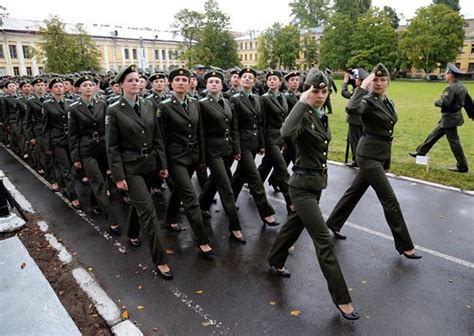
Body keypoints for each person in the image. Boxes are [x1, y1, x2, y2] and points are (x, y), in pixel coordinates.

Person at [268, 69, 359, 321]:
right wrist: (301, 102)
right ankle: (343, 299)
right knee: (324, 239)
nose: (320, 96)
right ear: (306, 91)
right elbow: (285, 134)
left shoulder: (320, 116)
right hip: (300, 187)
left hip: (316, 184)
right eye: (315, 91)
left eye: (323, 91)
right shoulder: (302, 113)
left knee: (295, 225)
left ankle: (275, 258)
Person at [325, 64, 422, 261]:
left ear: (388, 82)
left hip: (380, 155)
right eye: (375, 80)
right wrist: (362, 87)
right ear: (370, 82)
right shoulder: (367, 101)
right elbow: (351, 108)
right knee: (389, 199)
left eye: (382, 80)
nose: (378, 83)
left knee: (354, 192)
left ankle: (333, 224)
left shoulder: (387, 101)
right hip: (368, 156)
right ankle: (405, 245)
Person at [105, 64, 173, 279]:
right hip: (130, 167)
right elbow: (112, 147)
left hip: (150, 164)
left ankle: (132, 233)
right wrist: (118, 176)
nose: (136, 83)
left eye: (138, 80)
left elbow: (158, 137)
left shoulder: (148, 105)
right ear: (121, 85)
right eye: (130, 80)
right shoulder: (114, 110)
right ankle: (160, 260)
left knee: (140, 204)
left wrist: (162, 165)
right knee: (148, 211)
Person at [158, 68, 214, 255]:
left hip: (193, 156)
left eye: (184, 79)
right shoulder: (165, 106)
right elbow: (161, 139)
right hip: (176, 158)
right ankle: (202, 239)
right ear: (171, 84)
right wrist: (163, 164)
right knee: (190, 197)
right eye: (177, 80)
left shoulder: (194, 103)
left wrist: (202, 159)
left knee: (179, 191)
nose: (181, 82)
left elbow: (200, 133)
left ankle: (170, 218)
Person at [68, 75, 120, 235]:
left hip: (102, 147)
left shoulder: (102, 103)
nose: (88, 87)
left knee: (102, 178)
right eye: (84, 85)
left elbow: (108, 127)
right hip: (86, 150)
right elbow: (73, 135)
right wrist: (76, 158)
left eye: (90, 84)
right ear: (78, 89)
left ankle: (94, 202)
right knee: (99, 183)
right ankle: (112, 221)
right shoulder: (74, 107)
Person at [198, 70, 245, 242]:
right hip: (212, 150)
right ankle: (235, 226)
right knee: (226, 186)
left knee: (214, 180)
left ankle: (201, 205)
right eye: (211, 82)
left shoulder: (227, 102)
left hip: (227, 149)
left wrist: (236, 149)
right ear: (207, 85)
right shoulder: (202, 104)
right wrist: (201, 158)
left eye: (217, 82)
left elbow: (234, 128)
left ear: (221, 84)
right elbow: (200, 133)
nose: (214, 84)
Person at [230, 68, 279, 227]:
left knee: (239, 175)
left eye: (250, 77)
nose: (247, 79)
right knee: (254, 177)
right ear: (240, 80)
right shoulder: (235, 99)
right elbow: (234, 127)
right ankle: (266, 212)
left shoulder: (257, 99)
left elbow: (260, 124)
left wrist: (262, 144)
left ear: (255, 81)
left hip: (254, 142)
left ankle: (220, 202)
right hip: (242, 144)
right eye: (244, 77)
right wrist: (236, 148)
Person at [409, 63, 470, 173]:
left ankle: (462, 166)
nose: (445, 75)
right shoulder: (462, 87)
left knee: (454, 142)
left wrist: (437, 102)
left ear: (451, 75)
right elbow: (469, 102)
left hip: (449, 119)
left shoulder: (450, 88)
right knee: (433, 135)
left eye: (447, 73)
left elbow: (445, 103)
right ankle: (420, 152)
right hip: (453, 117)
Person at [257, 70, 293, 214]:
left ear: (280, 82)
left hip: (280, 136)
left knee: (266, 165)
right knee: (282, 169)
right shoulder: (264, 99)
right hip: (270, 137)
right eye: (269, 79)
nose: (272, 81)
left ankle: (255, 187)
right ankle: (290, 202)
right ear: (267, 83)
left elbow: (285, 119)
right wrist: (262, 144)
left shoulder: (283, 97)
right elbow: (262, 122)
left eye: (275, 79)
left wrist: (284, 138)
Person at [42, 78, 81, 209]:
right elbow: (45, 127)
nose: (59, 88)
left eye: (61, 86)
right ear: (51, 89)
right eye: (56, 86)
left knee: (72, 167)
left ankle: (65, 185)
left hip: (70, 139)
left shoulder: (70, 102)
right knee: (66, 168)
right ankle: (73, 196)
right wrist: (47, 146)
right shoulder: (47, 104)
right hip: (57, 140)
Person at [342, 68, 368, 168]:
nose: (355, 80)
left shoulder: (358, 92)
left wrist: (345, 81)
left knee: (355, 142)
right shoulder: (366, 91)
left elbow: (345, 93)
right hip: (362, 121)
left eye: (357, 79)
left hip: (355, 121)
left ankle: (356, 161)